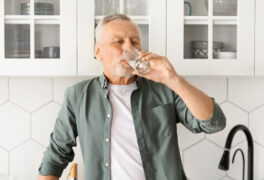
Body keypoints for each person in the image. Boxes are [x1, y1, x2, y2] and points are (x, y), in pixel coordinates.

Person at [38, 14, 226, 180]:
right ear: (98, 52)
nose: (128, 47)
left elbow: (213, 123)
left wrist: (173, 79)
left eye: (134, 42)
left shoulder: (164, 89)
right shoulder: (77, 95)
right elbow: (55, 157)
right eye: (118, 42)